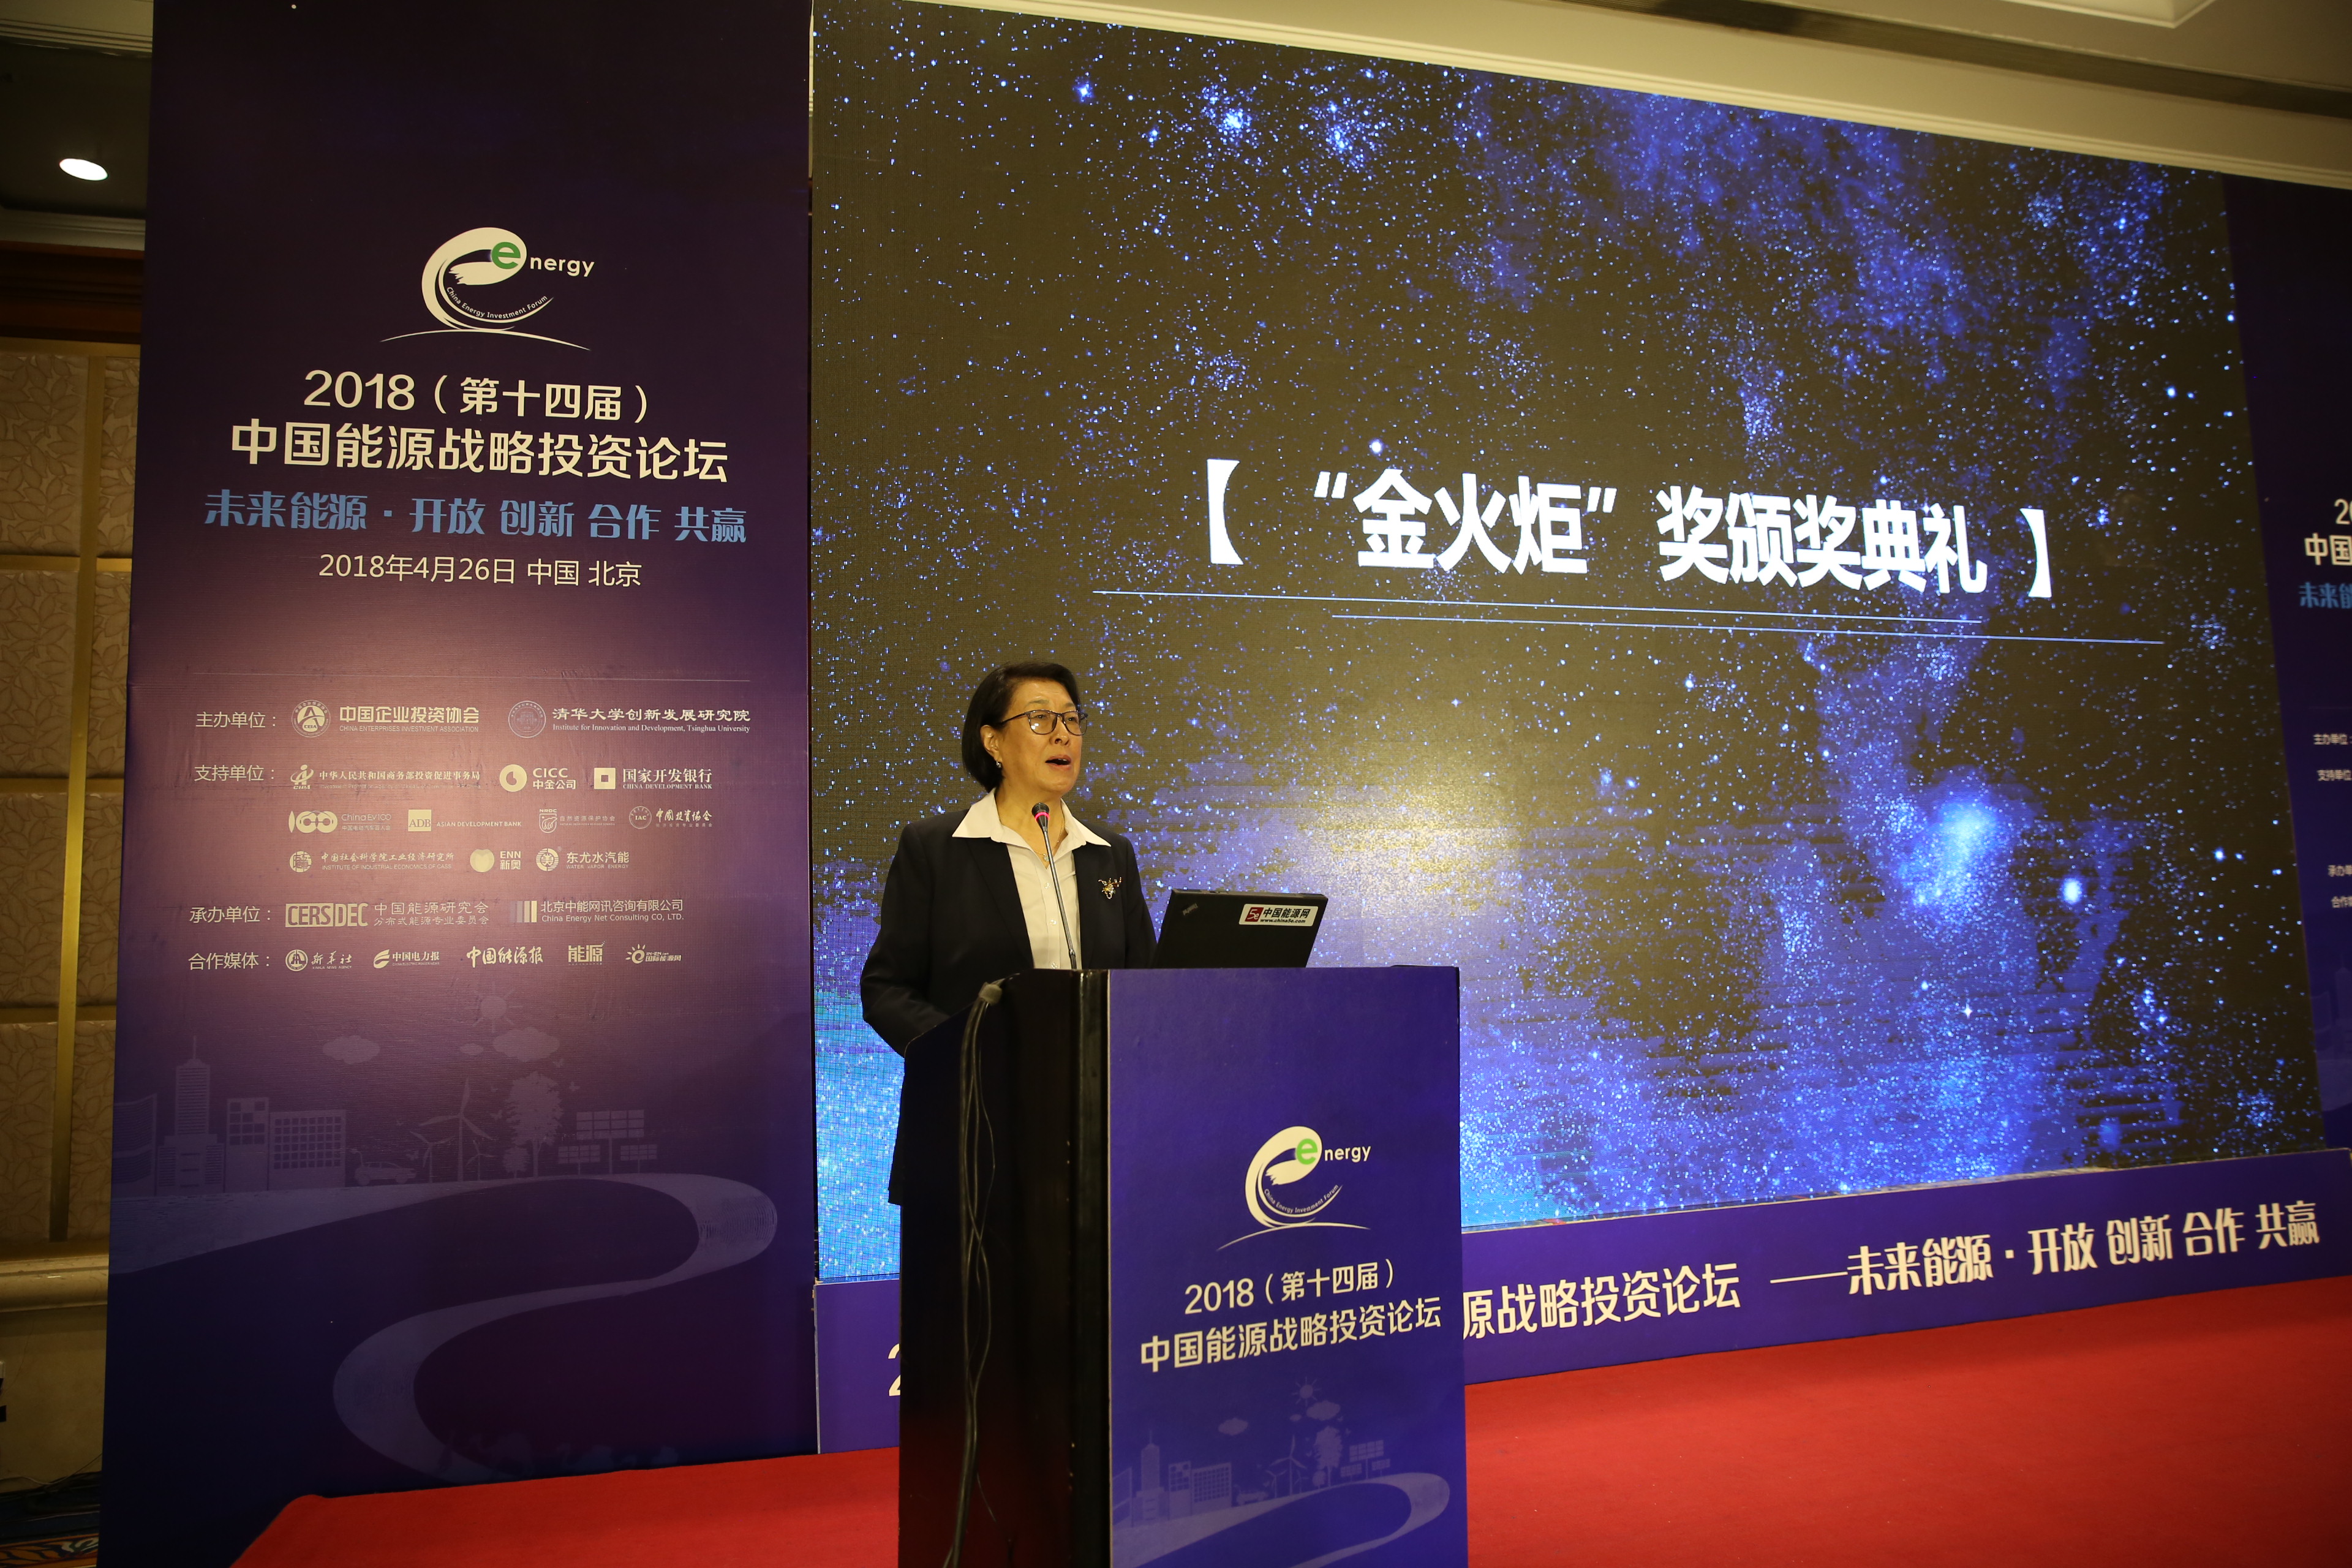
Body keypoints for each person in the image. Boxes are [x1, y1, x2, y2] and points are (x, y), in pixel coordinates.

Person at [861, 662, 1156, 1196]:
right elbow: (887, 989)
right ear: (993, 741)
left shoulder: (1110, 855)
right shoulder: (935, 849)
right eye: (1041, 719)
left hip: (1096, 1128)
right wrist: (968, 1054)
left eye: (1072, 719)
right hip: (972, 1126)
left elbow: (1145, 984)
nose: (1063, 734)